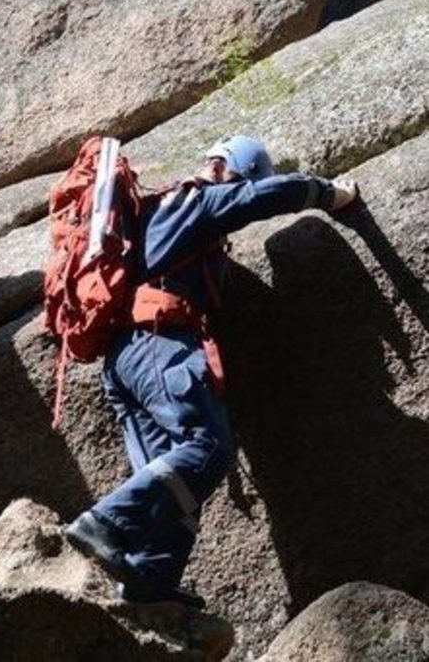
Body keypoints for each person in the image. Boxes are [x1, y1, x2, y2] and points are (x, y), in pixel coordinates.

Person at [63, 135, 359, 608]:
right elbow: (261, 196)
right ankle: (105, 523)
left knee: (173, 480)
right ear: (224, 168)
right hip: (159, 344)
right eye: (237, 180)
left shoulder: (153, 214)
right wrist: (329, 193)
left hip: (124, 359)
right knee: (208, 449)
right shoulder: (193, 200)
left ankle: (148, 578)